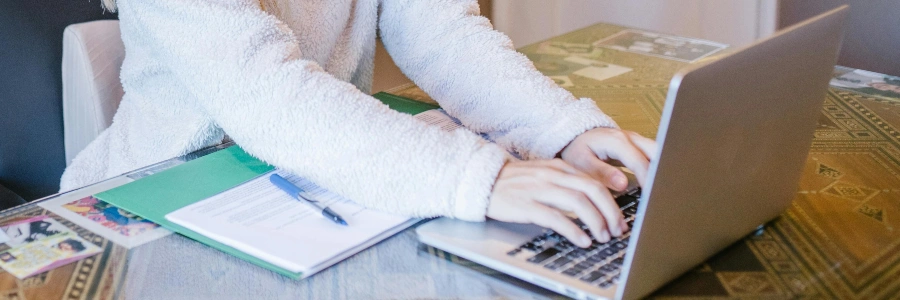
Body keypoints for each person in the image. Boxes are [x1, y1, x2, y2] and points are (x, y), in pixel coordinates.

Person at [62, 0, 657, 248]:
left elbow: (444, 35)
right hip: (151, 202)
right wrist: (479, 177)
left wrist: (560, 130)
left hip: (319, 173)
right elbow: (264, 89)